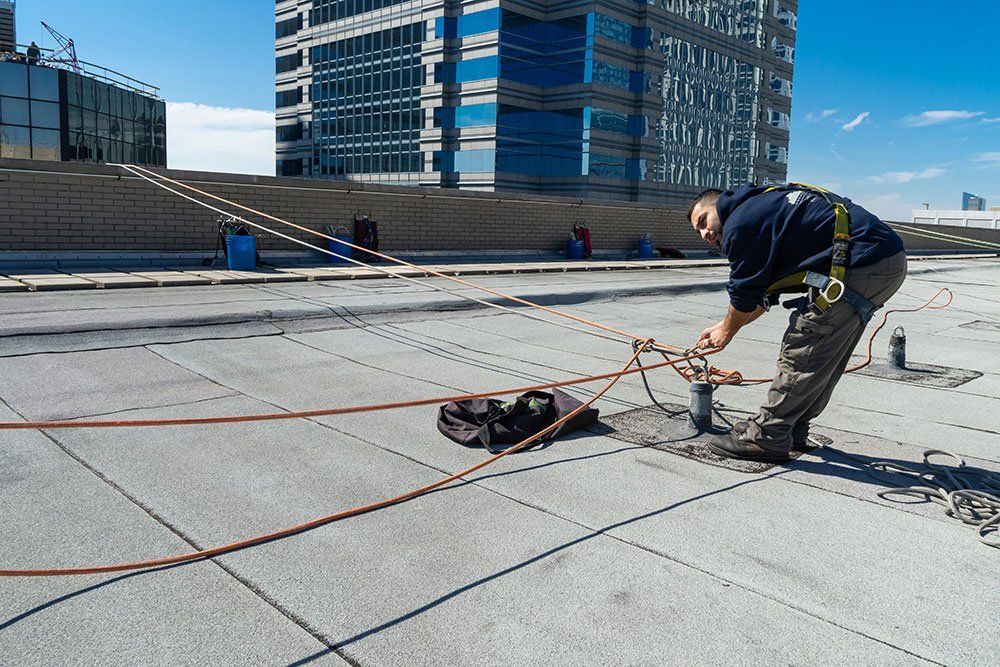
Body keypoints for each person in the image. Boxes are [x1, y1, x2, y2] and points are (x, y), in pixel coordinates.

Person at [687, 183, 906, 461]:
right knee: (824, 354)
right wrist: (722, 326)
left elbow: (743, 293)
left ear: (718, 205)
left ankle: (768, 436)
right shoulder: (765, 207)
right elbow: (760, 299)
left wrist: (727, 332)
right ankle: (790, 427)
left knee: (803, 347)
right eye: (698, 232)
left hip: (861, 262)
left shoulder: (741, 223)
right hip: (880, 260)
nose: (705, 233)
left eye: (704, 221)